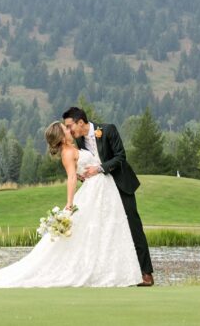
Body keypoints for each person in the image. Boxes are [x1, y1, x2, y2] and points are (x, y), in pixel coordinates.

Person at [0, 121, 142, 288]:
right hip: (94, 192)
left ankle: (111, 270)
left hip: (101, 189)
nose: (69, 130)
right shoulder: (68, 153)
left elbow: (84, 168)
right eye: (65, 129)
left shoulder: (73, 148)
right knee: (93, 231)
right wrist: (69, 204)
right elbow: (71, 177)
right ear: (61, 136)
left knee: (103, 231)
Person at [62, 106, 154, 287]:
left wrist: (99, 168)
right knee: (106, 230)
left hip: (121, 186)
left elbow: (121, 157)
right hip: (100, 193)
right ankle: (116, 273)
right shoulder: (79, 143)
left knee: (133, 227)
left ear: (81, 122)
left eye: (70, 126)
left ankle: (146, 274)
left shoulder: (108, 130)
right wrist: (82, 175)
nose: (69, 130)